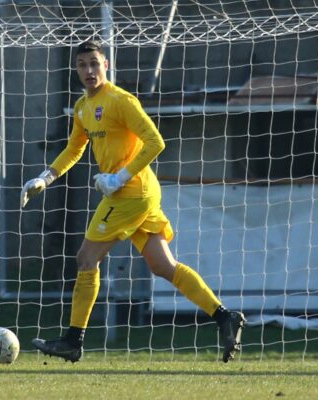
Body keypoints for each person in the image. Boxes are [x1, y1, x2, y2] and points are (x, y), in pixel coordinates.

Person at [20, 40, 245, 363]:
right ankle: (224, 316)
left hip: (131, 192)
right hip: (137, 193)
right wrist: (45, 177)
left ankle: (73, 340)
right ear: (76, 69)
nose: (88, 71)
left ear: (106, 65)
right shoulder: (83, 107)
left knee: (86, 258)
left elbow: (156, 142)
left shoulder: (121, 101)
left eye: (94, 64)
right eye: (82, 65)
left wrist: (118, 178)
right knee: (163, 266)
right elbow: (74, 149)